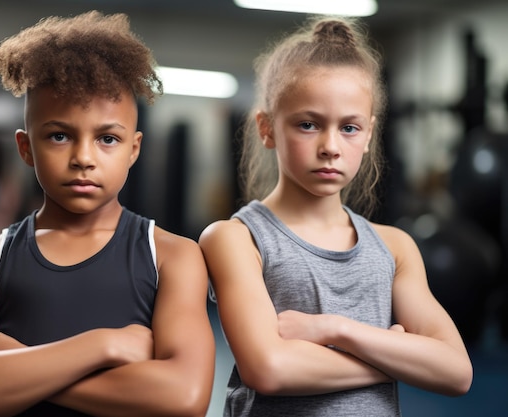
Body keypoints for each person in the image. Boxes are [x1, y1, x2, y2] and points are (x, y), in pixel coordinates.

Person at [0, 11, 215, 417]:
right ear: (26, 147)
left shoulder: (173, 257)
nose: (83, 158)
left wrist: (17, 364)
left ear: (134, 149)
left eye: (107, 138)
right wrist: (103, 345)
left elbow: (182, 399)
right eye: (60, 136)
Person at [199, 16, 473, 416]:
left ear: (368, 135)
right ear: (267, 128)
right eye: (308, 125)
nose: (330, 146)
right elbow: (269, 368)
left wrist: (334, 329)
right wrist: (394, 357)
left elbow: (456, 372)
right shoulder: (236, 239)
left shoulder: (394, 247)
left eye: (349, 128)